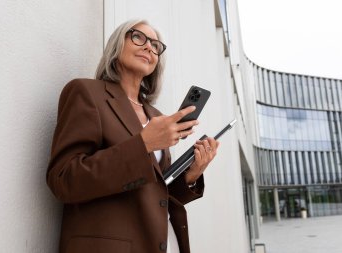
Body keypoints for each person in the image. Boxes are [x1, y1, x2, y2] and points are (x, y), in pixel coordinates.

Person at [46, 19, 219, 253]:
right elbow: (64, 179)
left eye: (156, 45)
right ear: (117, 45)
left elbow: (157, 194)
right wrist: (144, 143)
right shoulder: (87, 93)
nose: (150, 47)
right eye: (139, 37)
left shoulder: (156, 115)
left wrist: (192, 174)